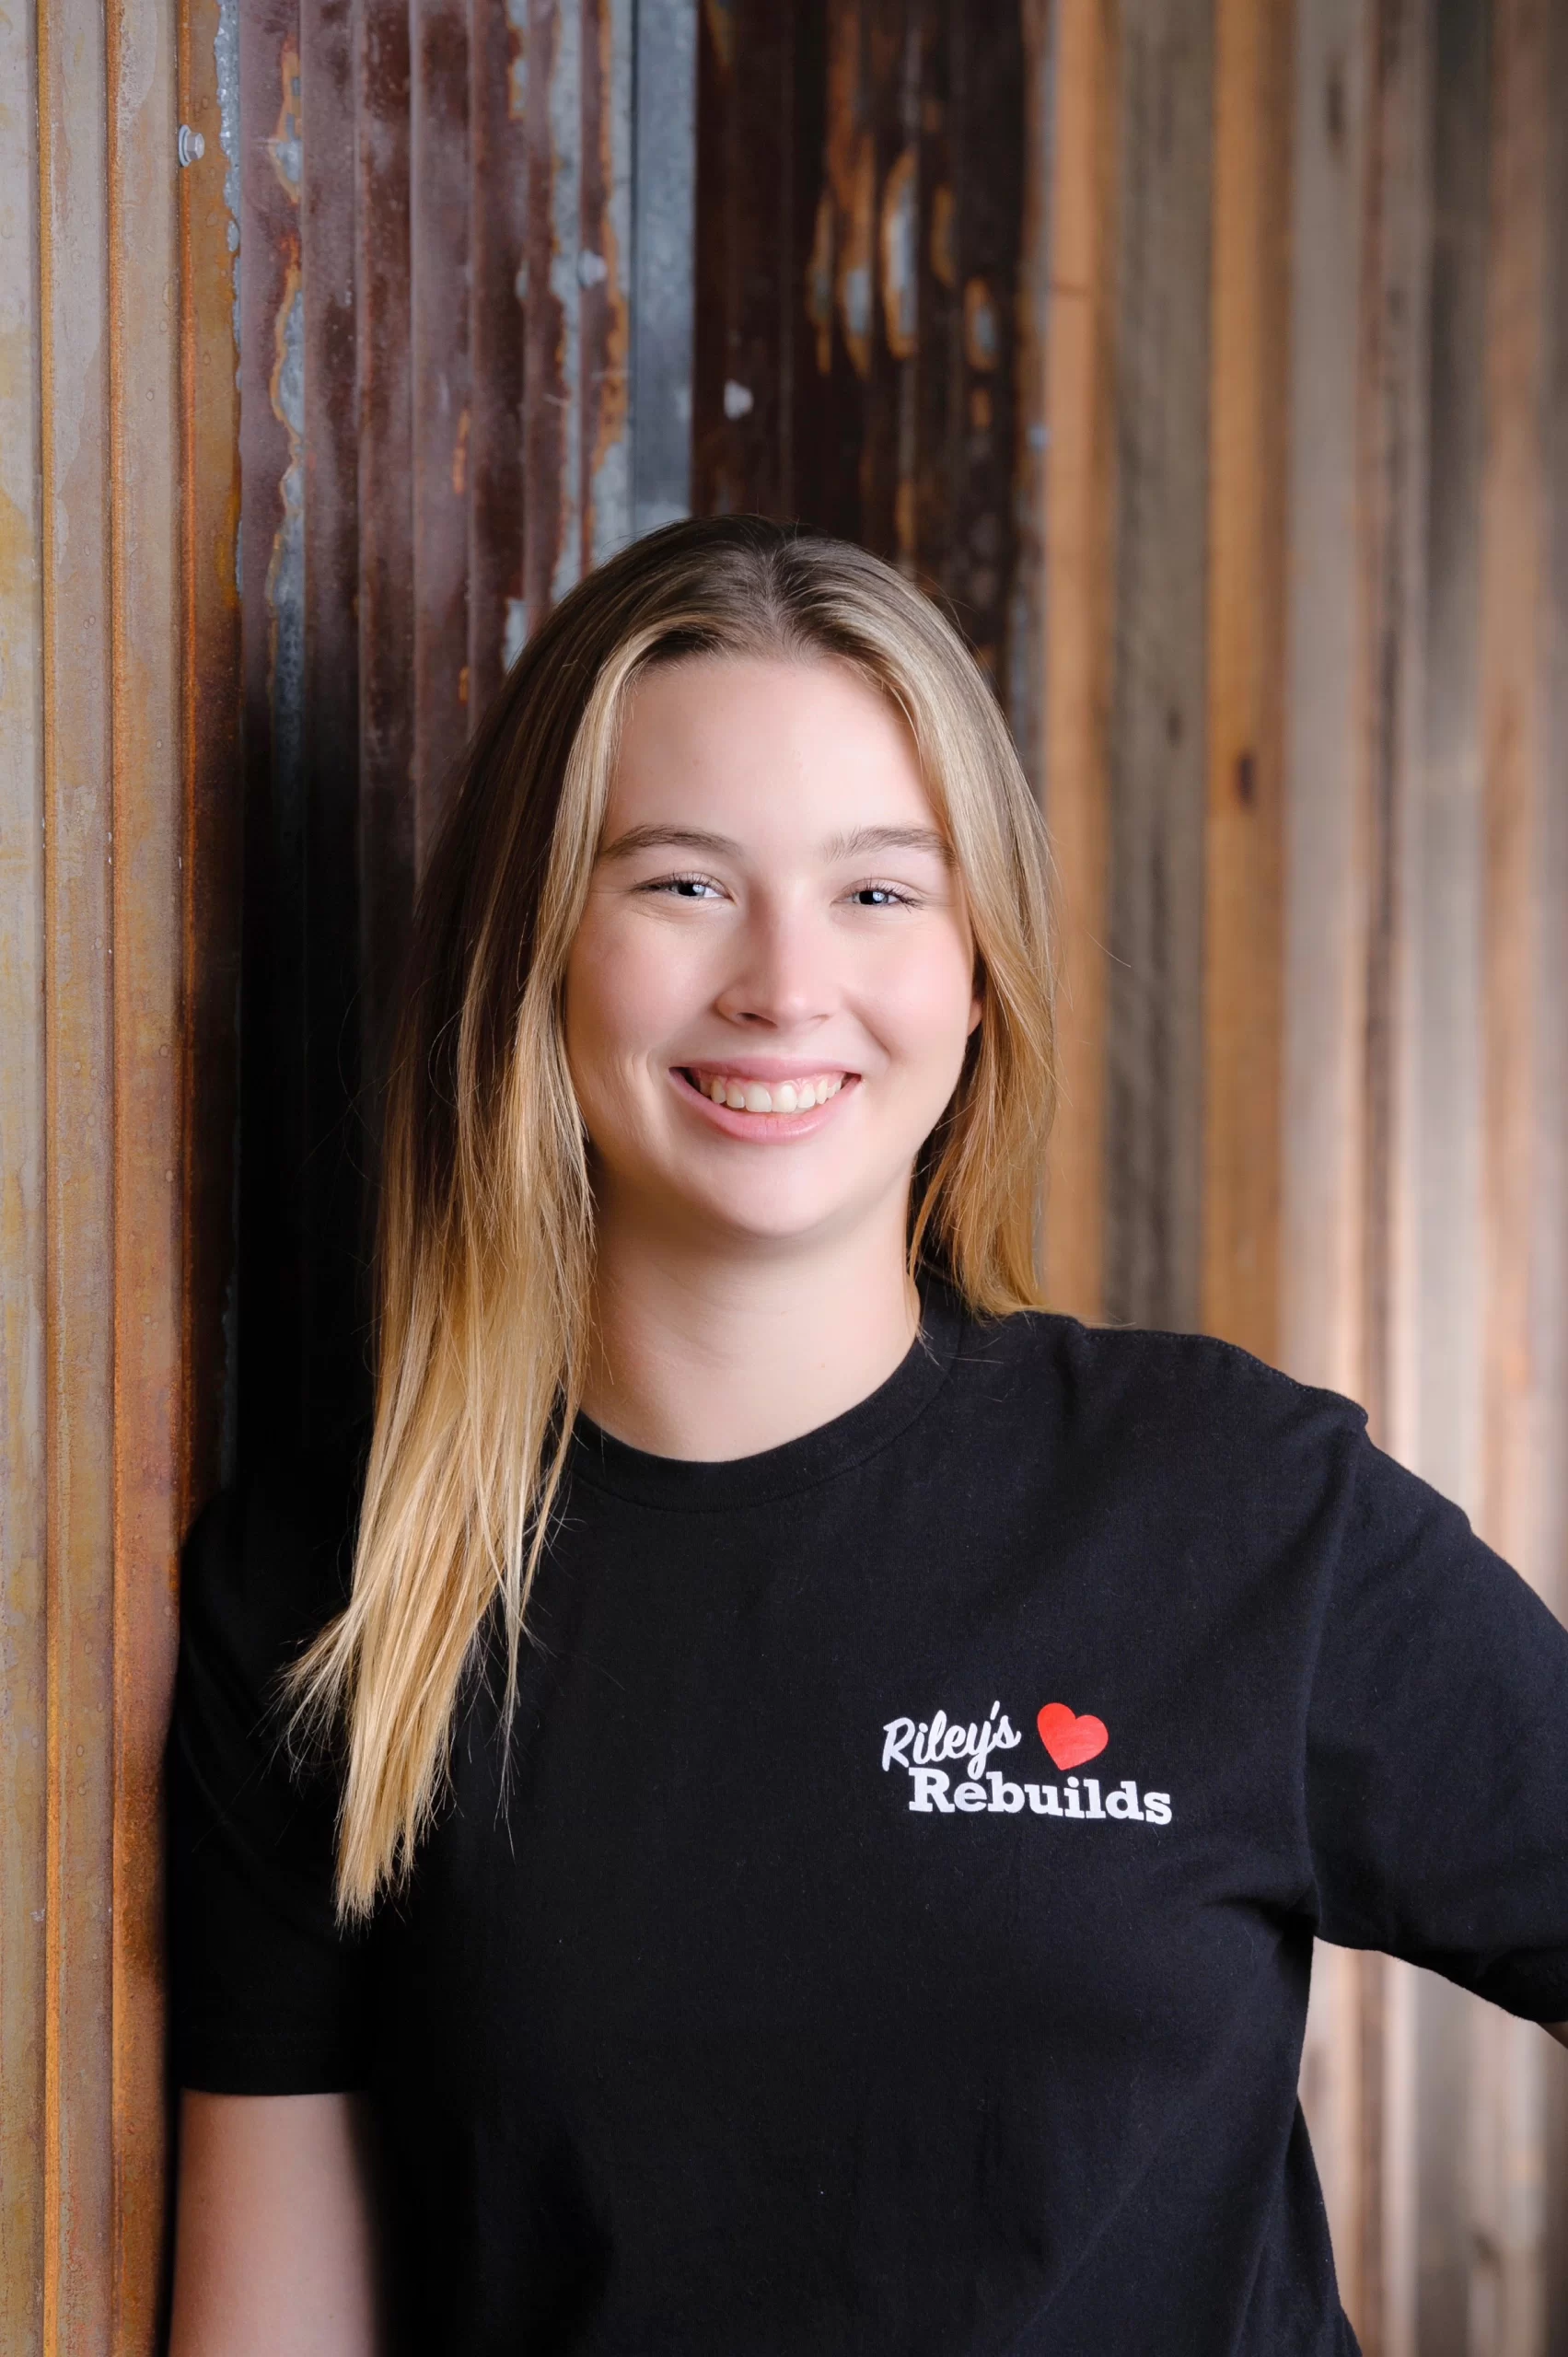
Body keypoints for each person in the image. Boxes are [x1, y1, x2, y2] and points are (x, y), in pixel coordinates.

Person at [167, 516, 1568, 2357]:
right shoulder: (338, 1583)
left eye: (877, 892)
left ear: (975, 971)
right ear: (537, 947)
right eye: (678, 883)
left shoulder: (1232, 1511)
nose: (781, 983)